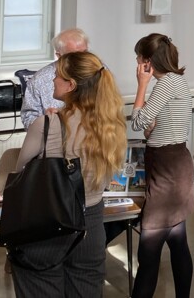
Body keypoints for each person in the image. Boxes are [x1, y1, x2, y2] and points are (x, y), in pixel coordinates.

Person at [9, 51, 126, 296]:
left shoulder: (47, 124)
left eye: (57, 76)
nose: (52, 80)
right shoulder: (111, 126)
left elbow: (20, 172)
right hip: (91, 225)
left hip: (48, 225)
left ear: (71, 85)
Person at [132, 34, 194, 298]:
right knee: (178, 242)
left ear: (148, 61)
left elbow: (137, 122)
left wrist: (141, 85)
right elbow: (152, 127)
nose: (136, 62)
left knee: (148, 254)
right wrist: (151, 127)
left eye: (138, 57)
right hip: (175, 165)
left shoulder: (166, 83)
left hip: (167, 169)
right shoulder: (175, 81)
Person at [21, 28, 90, 128]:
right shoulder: (39, 80)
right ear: (59, 55)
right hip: (55, 135)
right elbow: (28, 118)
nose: (82, 59)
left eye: (85, 53)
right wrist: (45, 121)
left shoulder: (99, 70)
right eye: (74, 55)